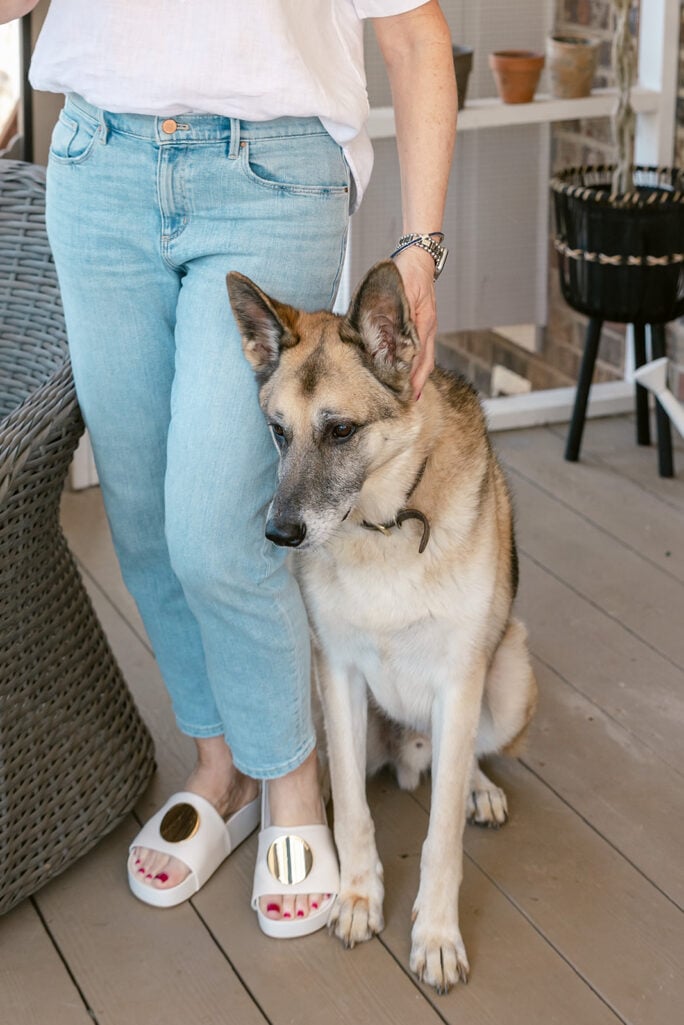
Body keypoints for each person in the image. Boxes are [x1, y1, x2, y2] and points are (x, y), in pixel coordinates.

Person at [4, 0, 456, 935]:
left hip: (269, 172)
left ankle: (292, 780)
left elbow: (415, 34)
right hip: (98, 162)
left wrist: (420, 247)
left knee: (216, 525)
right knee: (139, 514)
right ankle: (222, 765)